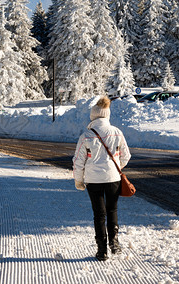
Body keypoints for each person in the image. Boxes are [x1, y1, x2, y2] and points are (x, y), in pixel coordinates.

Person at [72, 96, 131, 261]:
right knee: (112, 210)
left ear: (93, 116)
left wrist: (79, 180)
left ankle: (102, 250)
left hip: (93, 181)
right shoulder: (117, 132)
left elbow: (78, 161)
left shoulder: (86, 136)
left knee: (99, 214)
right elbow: (126, 156)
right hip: (113, 179)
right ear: (107, 115)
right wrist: (115, 168)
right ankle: (114, 243)